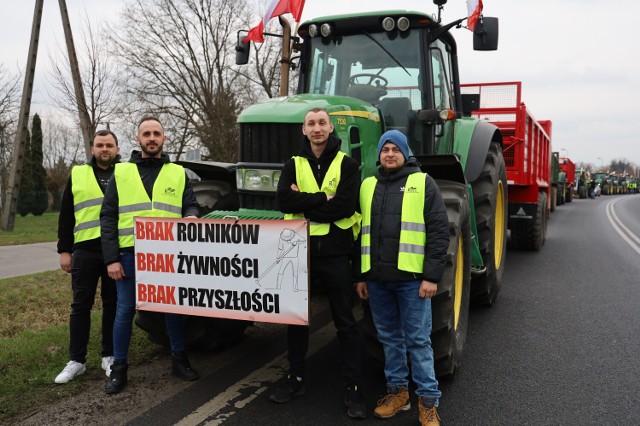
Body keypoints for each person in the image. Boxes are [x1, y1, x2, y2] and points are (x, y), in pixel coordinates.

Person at [273, 107, 366, 419]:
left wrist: (307, 203)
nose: (317, 128)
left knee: (345, 321)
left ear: (330, 127)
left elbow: (345, 205)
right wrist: (322, 199)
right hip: (300, 251)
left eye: (322, 123)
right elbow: (284, 201)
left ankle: (353, 388)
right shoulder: (292, 164)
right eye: (311, 123)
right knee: (297, 319)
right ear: (304, 129)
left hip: (338, 253)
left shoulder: (348, 164)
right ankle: (295, 378)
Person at [100, 116, 201, 394]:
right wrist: (111, 259)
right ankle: (119, 369)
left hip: (167, 254)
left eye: (157, 133)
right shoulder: (120, 173)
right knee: (124, 311)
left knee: (172, 309)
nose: (152, 137)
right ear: (138, 139)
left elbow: (190, 205)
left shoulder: (177, 172)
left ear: (164, 138)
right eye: (147, 133)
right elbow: (107, 217)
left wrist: (192, 217)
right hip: (129, 255)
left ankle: (179, 360)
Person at [355, 130, 449, 426]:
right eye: (385, 149)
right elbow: (360, 234)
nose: (390, 154)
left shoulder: (423, 183)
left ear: (405, 153)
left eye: (396, 149)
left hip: (412, 281)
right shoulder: (367, 186)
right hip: (377, 280)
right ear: (379, 155)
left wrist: (431, 277)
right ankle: (398, 393)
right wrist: (361, 276)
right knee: (389, 339)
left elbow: (438, 232)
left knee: (418, 341)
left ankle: (428, 402)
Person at [54, 130, 120, 384]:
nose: (105, 149)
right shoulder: (78, 174)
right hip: (85, 250)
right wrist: (64, 250)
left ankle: (110, 356)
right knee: (80, 305)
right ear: (92, 149)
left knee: (112, 303)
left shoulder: (125, 174)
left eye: (109, 145)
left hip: (115, 250)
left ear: (117, 149)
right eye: (100, 145)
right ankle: (76, 361)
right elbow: (66, 215)